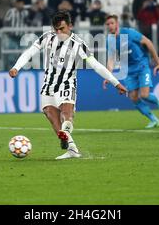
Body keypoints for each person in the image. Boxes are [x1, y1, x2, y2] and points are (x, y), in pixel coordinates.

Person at [9, 11, 127, 160]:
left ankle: (66, 129)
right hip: (48, 85)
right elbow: (29, 52)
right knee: (51, 114)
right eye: (56, 29)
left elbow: (96, 66)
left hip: (66, 83)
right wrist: (16, 67)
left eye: (62, 29)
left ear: (70, 26)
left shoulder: (78, 44)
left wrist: (115, 83)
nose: (59, 32)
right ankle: (71, 148)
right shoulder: (47, 37)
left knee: (66, 111)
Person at [104, 15, 159, 129]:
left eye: (111, 23)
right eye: (107, 24)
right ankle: (153, 119)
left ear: (117, 23)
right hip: (128, 70)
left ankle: (158, 101)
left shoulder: (129, 33)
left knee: (145, 95)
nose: (110, 26)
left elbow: (148, 42)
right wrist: (108, 76)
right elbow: (111, 60)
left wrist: (158, 62)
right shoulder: (110, 40)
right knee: (133, 97)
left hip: (141, 65)